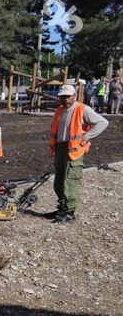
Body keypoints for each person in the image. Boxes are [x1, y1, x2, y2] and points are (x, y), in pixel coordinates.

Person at [49, 84, 108, 223]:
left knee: (71, 180)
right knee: (59, 181)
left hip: (74, 150)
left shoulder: (82, 109)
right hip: (60, 148)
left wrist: (86, 137)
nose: (65, 99)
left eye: (67, 96)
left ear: (74, 96)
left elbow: (102, 122)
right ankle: (62, 207)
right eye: (62, 96)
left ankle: (69, 212)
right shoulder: (60, 110)